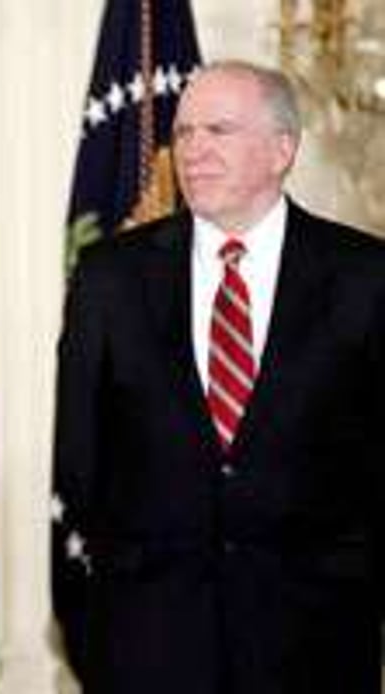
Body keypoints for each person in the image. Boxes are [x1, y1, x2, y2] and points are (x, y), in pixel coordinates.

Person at [51, 59, 385, 693]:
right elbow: (79, 458)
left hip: (316, 642)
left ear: (282, 149)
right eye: (184, 134)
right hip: (150, 641)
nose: (194, 151)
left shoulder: (366, 278)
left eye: (219, 131)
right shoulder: (109, 278)